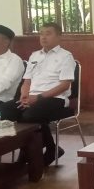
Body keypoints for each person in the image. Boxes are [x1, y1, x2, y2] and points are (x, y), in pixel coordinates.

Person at [15, 22, 77, 165]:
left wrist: (38, 97)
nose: (43, 37)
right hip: (32, 97)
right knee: (7, 111)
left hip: (55, 98)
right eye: (41, 33)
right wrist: (24, 95)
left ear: (59, 37)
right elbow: (27, 81)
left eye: (48, 33)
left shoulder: (66, 56)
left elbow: (65, 85)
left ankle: (28, 152)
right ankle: (49, 148)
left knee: (30, 115)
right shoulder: (34, 55)